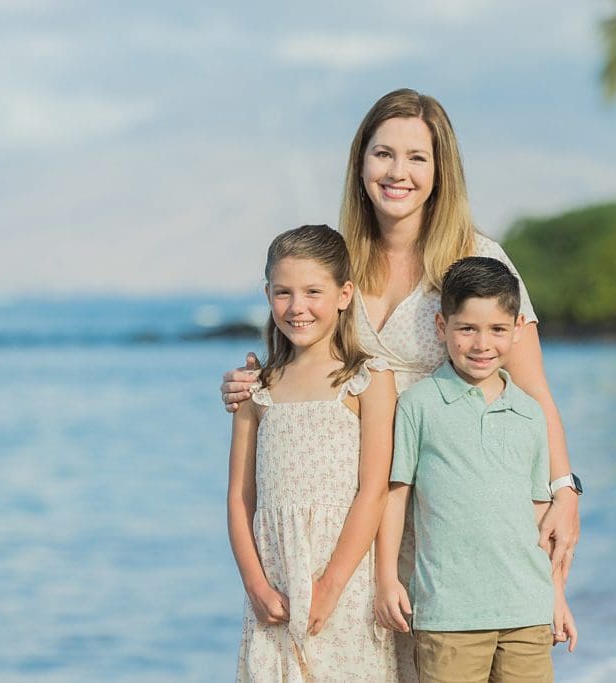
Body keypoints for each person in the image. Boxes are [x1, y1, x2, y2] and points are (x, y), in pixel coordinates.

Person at [221, 88, 584, 677]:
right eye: (383, 154)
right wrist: (247, 387)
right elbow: (301, 363)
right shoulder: (338, 263)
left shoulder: (477, 260)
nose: (398, 172)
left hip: (460, 513)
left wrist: (565, 488)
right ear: (360, 163)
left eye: (417, 157)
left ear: (441, 170)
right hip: (365, 520)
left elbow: (534, 390)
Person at [375, 257, 577, 681]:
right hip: (449, 618)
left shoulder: (529, 413)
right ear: (441, 327)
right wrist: (387, 579)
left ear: (517, 329)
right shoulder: (417, 407)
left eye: (498, 330)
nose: (482, 344)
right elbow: (395, 498)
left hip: (527, 614)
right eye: (467, 328)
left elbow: (542, 517)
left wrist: (556, 595)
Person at [227, 225, 398, 680]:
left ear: (344, 294)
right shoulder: (257, 389)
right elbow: (240, 497)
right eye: (283, 292)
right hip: (274, 588)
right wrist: (255, 585)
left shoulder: (368, 380)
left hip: (345, 583)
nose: (296, 307)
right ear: (267, 294)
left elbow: (374, 490)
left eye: (312, 292)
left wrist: (330, 586)